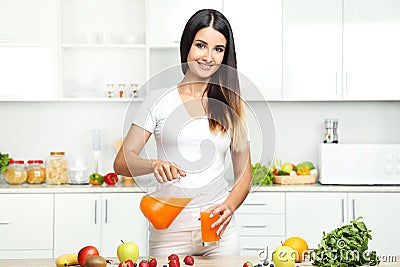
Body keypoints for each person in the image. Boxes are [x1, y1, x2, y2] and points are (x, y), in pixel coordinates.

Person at [114, 9, 252, 256]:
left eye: (218, 49)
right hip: (168, 232)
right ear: (187, 46)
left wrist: (229, 206)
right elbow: (123, 161)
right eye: (201, 45)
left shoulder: (231, 106)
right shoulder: (158, 100)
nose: (208, 57)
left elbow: (244, 174)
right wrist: (153, 164)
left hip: (218, 231)